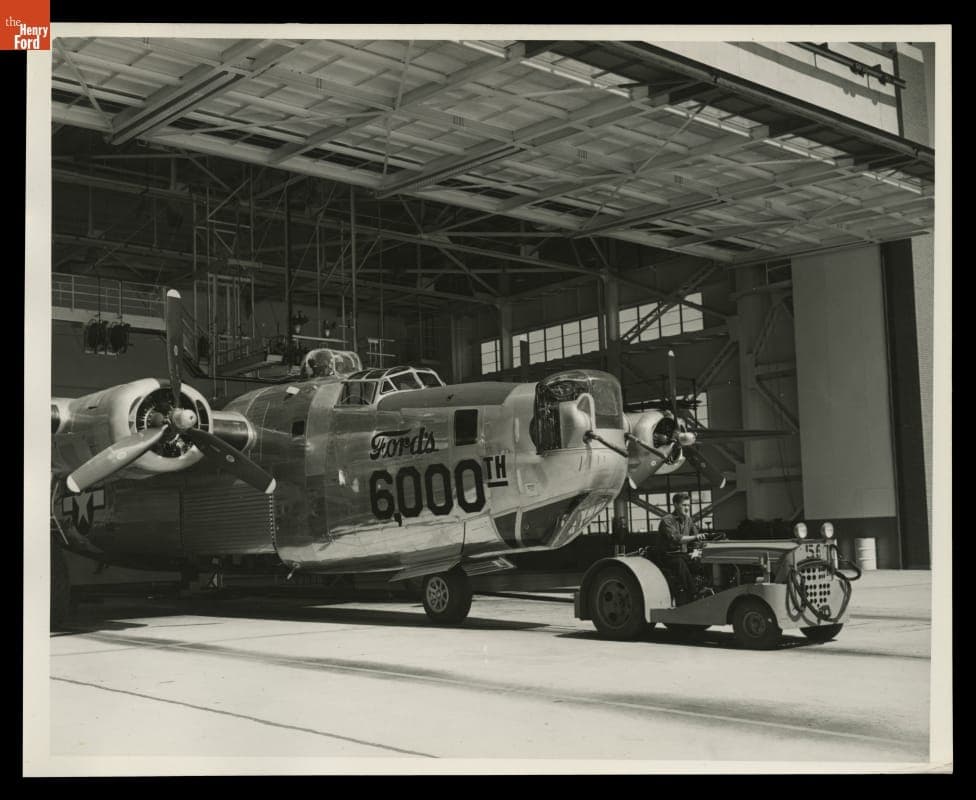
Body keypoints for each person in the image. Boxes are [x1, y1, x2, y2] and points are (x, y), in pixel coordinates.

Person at [658, 492, 707, 604]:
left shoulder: (688, 520)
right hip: (668, 556)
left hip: (683, 555)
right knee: (679, 563)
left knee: (701, 561)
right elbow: (676, 539)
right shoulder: (667, 520)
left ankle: (705, 588)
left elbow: (696, 540)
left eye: (688, 506)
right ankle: (693, 593)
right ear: (675, 505)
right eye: (684, 505)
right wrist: (695, 537)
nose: (687, 508)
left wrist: (696, 551)